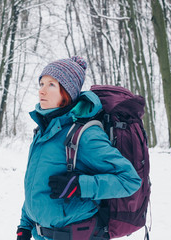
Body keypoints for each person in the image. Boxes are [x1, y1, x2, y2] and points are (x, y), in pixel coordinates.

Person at [16, 56, 141, 240]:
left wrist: (80, 185)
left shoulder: (84, 136)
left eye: (51, 85)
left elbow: (129, 181)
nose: (42, 90)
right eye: (41, 83)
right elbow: (36, 187)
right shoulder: (42, 133)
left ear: (67, 92)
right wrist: (24, 226)